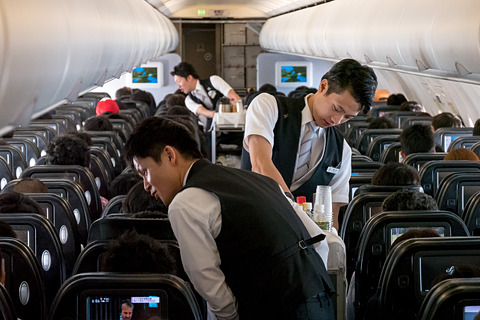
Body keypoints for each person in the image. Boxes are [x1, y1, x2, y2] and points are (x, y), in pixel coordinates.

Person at [125, 117, 333, 320]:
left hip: (276, 310)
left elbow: (208, 281)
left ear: (169, 155)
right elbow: (318, 239)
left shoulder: (185, 202)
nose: (145, 185)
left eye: (145, 172)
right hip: (322, 301)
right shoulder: (259, 180)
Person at [242, 59, 377, 229]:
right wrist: (294, 212)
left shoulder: (341, 150)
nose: (337, 120)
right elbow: (260, 164)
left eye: (348, 117)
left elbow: (331, 214)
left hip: (301, 240)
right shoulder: (269, 106)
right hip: (251, 221)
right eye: (337, 109)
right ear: (323, 86)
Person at [170, 62, 241, 130]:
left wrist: (238, 111)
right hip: (212, 130)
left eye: (179, 81)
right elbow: (208, 113)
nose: (178, 86)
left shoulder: (213, 81)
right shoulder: (188, 100)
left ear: (189, 78)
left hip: (234, 124)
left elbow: (233, 96)